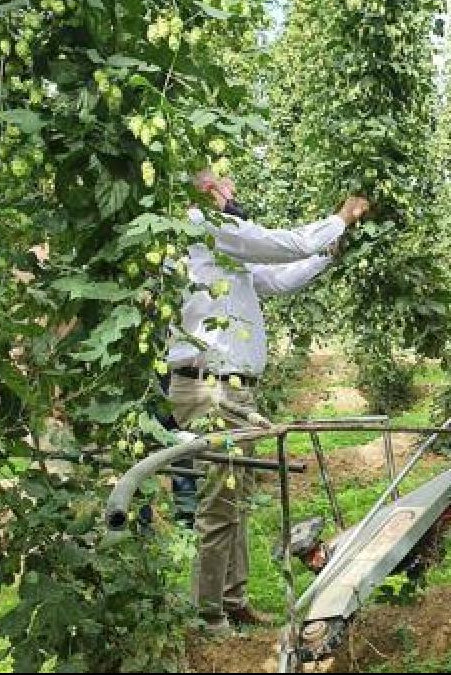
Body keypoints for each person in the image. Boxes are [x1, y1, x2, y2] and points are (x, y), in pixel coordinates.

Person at [166, 167, 369, 635]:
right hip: (210, 387)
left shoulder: (218, 253)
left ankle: (232, 600)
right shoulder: (205, 227)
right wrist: (342, 217)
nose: (233, 191)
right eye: (224, 183)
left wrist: (327, 256)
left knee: (233, 497)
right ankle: (208, 614)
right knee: (219, 502)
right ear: (203, 190)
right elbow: (289, 244)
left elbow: (275, 280)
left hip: (229, 389)